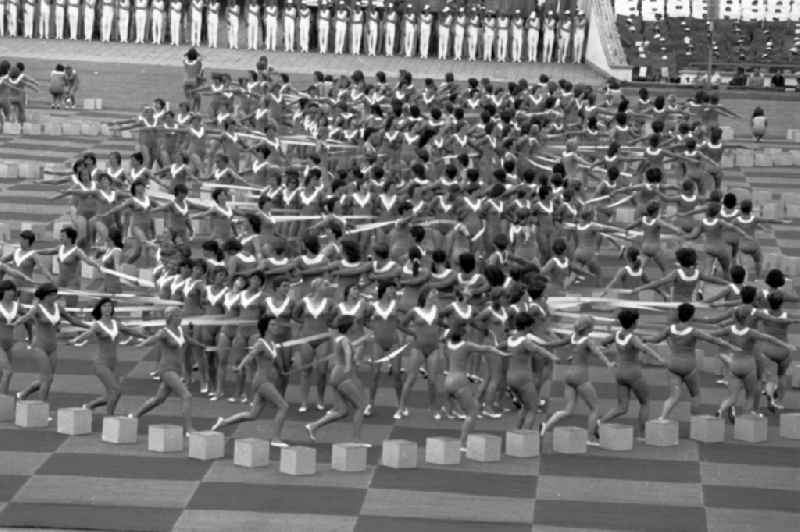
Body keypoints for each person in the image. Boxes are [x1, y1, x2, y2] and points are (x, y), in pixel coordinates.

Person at [211, 315, 289, 445]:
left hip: (267, 381)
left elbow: (275, 363)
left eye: (276, 324)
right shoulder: (260, 343)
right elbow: (250, 356)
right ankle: (276, 439)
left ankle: (223, 422)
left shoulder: (272, 344)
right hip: (262, 381)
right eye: (272, 325)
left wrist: (283, 371)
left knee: (252, 415)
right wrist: (240, 367)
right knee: (284, 406)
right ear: (266, 327)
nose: (276, 327)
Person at [539, 316, 614, 445]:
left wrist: (542, 344)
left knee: (568, 410)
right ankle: (589, 438)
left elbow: (557, 343)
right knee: (595, 408)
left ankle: (546, 425)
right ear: (588, 328)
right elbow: (596, 352)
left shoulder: (573, 337)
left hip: (568, 376)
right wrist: (608, 362)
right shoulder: (588, 341)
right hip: (580, 377)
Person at [68, 298, 146, 415]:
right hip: (101, 364)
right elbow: (87, 333)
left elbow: (130, 331)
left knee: (113, 394)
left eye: (109, 306)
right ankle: (109, 418)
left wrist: (148, 337)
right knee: (116, 391)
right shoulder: (97, 325)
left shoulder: (116, 323)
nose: (107, 308)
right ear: (100, 309)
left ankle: (90, 406)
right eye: (104, 306)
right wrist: (75, 340)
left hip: (113, 364)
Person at [14, 283, 88, 402]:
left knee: (48, 379)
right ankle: (42, 408)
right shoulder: (38, 308)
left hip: (53, 347)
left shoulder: (58, 307)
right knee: (47, 379)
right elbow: (27, 316)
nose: (56, 296)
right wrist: (17, 322)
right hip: (39, 346)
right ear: (45, 296)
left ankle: (23, 394)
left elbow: (72, 320)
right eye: (53, 294)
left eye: (55, 293)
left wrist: (89, 326)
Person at [130, 307, 198, 434]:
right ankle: (189, 429)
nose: (180, 318)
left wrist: (201, 346)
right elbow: (153, 339)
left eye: (180, 315)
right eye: (178, 316)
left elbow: (188, 340)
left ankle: (135, 415)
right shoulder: (163, 332)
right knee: (186, 395)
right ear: (170, 317)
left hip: (177, 369)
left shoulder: (180, 330)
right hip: (166, 369)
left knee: (159, 399)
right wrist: (140, 345)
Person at [305, 316, 370, 445]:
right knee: (360, 406)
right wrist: (349, 367)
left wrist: (354, 359)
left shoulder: (339, 338)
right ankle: (356, 440)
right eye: (354, 324)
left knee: (342, 411)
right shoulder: (345, 340)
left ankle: (313, 426)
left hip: (336, 375)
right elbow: (347, 354)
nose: (356, 326)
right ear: (350, 326)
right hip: (342, 375)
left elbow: (347, 351)